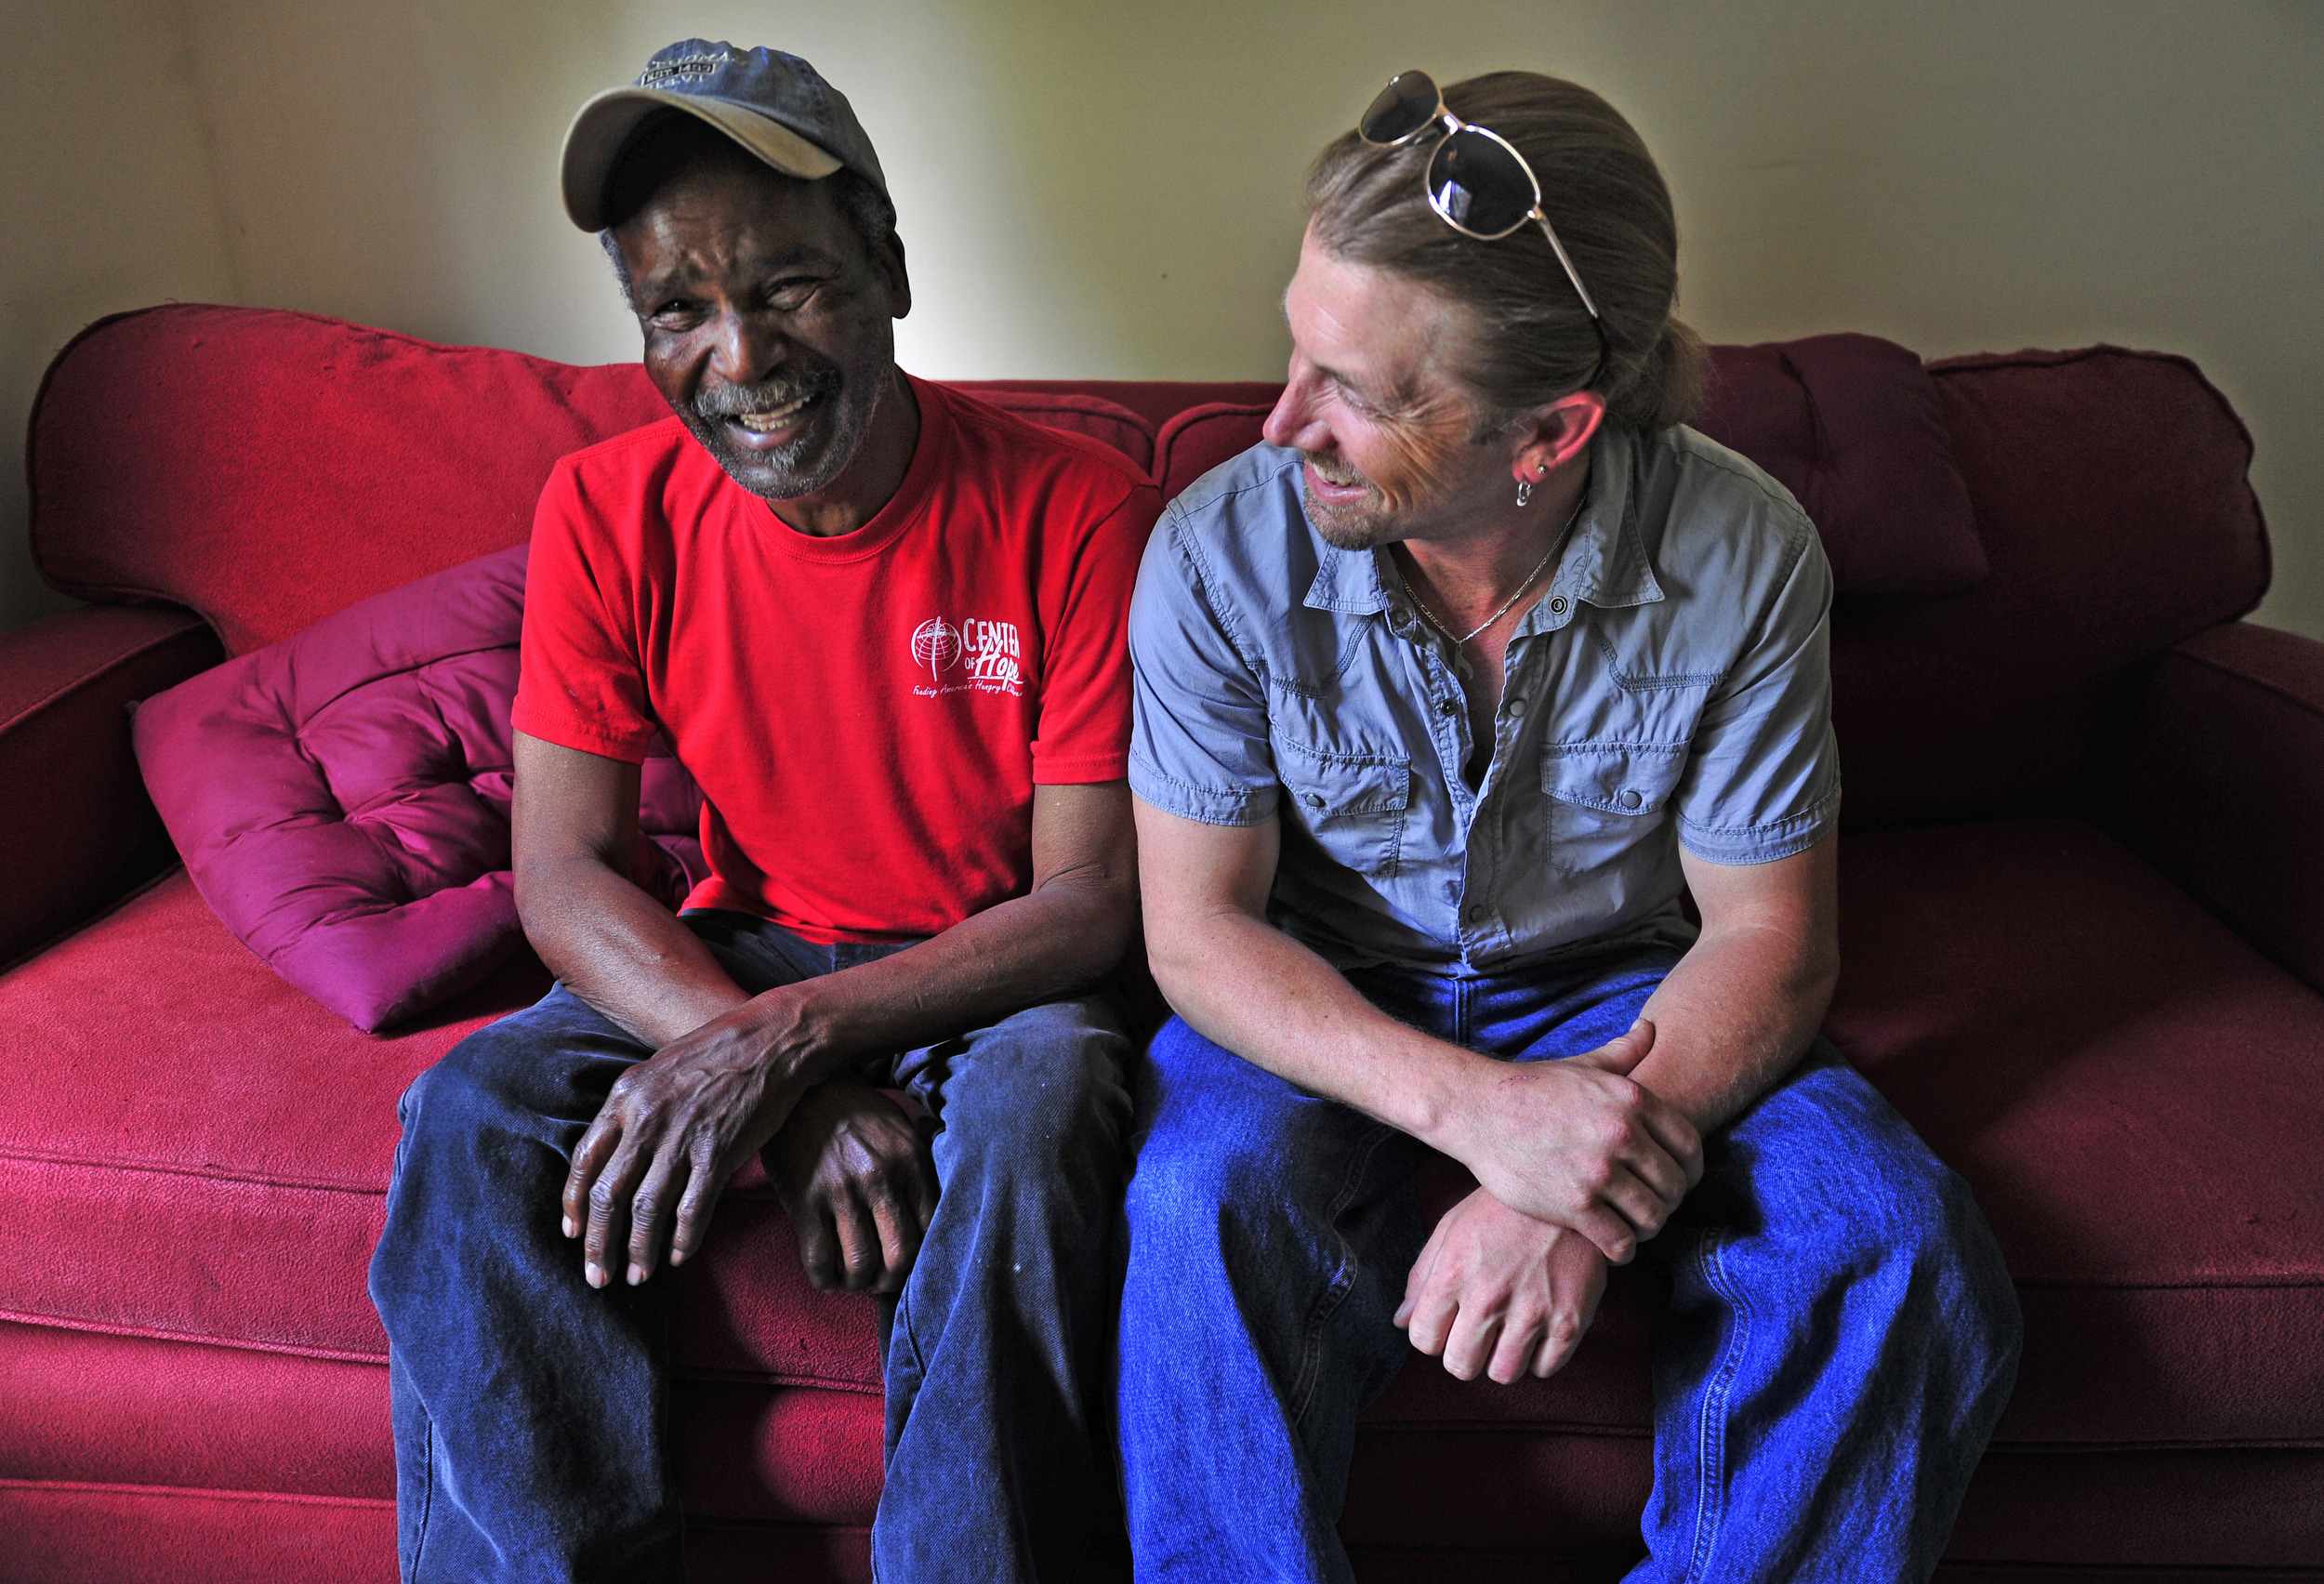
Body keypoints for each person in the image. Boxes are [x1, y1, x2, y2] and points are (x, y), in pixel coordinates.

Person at [1119, 69, 2021, 1582]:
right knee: (1202, 1200)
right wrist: (1481, 1122)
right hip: (1330, 985)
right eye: (1299, 348)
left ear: (1552, 429)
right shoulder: (1218, 548)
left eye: (1360, 391)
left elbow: (1771, 940)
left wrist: (1579, 1197)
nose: (1285, 423)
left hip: (1624, 988)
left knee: (1895, 1241)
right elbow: (1195, 931)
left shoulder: (1741, 548)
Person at [368, 41, 1158, 1584]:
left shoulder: (1081, 509)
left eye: (787, 286)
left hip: (997, 980)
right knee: (469, 1117)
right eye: (679, 309)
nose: (737, 356)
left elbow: (1088, 909)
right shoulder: (603, 510)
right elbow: (564, 874)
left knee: (1049, 1107)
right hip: (746, 950)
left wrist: (789, 1045)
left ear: (889, 269)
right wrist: (772, 1081)